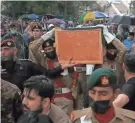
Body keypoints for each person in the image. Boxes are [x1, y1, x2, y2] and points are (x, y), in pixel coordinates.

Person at [1, 38, 75, 91]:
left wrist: (61, 67)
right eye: (1, 50)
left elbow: (47, 73)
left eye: (6, 49)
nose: (3, 52)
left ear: (15, 51)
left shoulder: (27, 65)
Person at [70, 68, 135, 123]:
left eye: (103, 94)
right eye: (92, 92)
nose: (96, 98)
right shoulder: (78, 119)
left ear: (116, 94)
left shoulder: (130, 119)